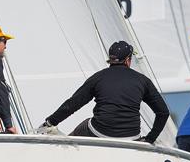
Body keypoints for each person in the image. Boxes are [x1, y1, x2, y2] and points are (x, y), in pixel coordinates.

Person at [37, 41, 169, 144]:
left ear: (110, 59)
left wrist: (49, 123)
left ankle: (64, 158)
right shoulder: (143, 81)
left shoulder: (98, 78)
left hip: (99, 132)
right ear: (128, 60)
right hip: (131, 137)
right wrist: (150, 139)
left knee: (84, 125)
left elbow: (73, 104)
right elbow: (163, 112)